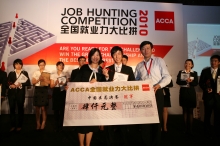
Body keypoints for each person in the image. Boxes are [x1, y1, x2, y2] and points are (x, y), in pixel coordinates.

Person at [134, 41, 171, 146]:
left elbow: (167, 77)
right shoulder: (139, 65)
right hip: (144, 93)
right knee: (145, 119)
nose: (146, 51)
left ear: (152, 49)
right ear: (141, 51)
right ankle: (145, 142)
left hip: (156, 91)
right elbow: (136, 80)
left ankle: (156, 142)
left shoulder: (159, 61)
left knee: (157, 119)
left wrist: (159, 85)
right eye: (143, 49)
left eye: (148, 48)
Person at [102, 46, 135, 146]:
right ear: (112, 56)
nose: (117, 56)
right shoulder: (107, 69)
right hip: (111, 100)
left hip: (124, 100)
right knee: (109, 126)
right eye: (115, 54)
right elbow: (102, 86)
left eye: (119, 54)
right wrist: (107, 77)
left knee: (124, 126)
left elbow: (133, 84)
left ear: (122, 55)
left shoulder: (128, 69)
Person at [73, 48, 106, 146]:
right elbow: (76, 81)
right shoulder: (84, 68)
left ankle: (88, 144)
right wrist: (69, 86)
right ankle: (81, 144)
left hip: (95, 101)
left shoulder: (101, 71)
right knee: (82, 124)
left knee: (91, 124)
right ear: (90, 56)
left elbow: (105, 86)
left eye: (97, 55)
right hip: (82, 100)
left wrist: (98, 82)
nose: (95, 57)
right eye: (93, 55)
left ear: (100, 57)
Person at [199, 55, 220, 138]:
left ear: (219, 62)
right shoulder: (205, 71)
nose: (213, 62)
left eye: (215, 61)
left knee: (218, 116)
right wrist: (206, 88)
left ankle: (217, 132)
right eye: (212, 61)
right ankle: (206, 132)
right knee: (207, 115)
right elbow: (201, 83)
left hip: (218, 98)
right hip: (208, 97)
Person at [7, 59, 31, 132]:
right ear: (14, 65)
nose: (18, 66)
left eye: (20, 64)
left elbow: (28, 83)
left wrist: (21, 84)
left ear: (22, 65)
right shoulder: (11, 73)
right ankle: (13, 125)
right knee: (12, 109)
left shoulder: (25, 73)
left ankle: (20, 125)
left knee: (20, 109)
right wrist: (11, 86)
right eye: (16, 64)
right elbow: (7, 83)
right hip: (11, 94)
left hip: (20, 94)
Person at [176, 59, 198, 134]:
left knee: (190, 111)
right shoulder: (181, 72)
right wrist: (185, 81)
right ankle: (185, 128)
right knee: (184, 110)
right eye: (186, 63)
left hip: (191, 93)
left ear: (192, 65)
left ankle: (191, 128)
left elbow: (196, 83)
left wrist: (190, 82)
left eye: (189, 64)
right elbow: (178, 81)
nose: (187, 65)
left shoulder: (194, 73)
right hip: (183, 92)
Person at [50, 61, 69, 132]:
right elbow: (51, 86)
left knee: (62, 110)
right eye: (59, 65)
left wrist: (65, 84)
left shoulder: (66, 74)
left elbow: (69, 84)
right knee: (56, 110)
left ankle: (61, 126)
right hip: (56, 91)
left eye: (62, 65)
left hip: (63, 91)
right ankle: (56, 126)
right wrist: (55, 83)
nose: (61, 66)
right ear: (57, 66)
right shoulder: (53, 75)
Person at [32, 59, 50, 131]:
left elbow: (49, 83)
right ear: (38, 65)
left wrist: (44, 80)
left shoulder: (47, 72)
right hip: (37, 90)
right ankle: (38, 123)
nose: (41, 66)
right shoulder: (35, 72)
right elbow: (33, 82)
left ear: (45, 65)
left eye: (43, 65)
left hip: (44, 89)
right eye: (40, 65)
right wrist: (39, 79)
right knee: (37, 108)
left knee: (43, 108)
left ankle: (43, 122)